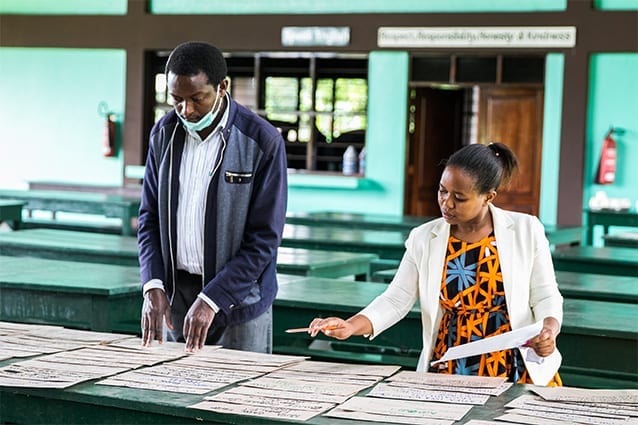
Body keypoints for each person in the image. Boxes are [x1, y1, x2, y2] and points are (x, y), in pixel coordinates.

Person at [308, 143, 563, 386]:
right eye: (442, 191)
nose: (446, 203)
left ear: (488, 197)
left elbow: (545, 295)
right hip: (448, 364)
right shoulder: (424, 237)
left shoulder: (526, 230)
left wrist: (548, 331)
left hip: (511, 364)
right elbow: (395, 300)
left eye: (459, 198)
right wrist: (351, 325)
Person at [138, 41, 288, 353]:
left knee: (240, 397)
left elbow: (263, 240)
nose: (187, 111)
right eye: (177, 100)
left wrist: (212, 299)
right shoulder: (163, 135)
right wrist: (152, 284)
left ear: (222, 87)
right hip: (180, 298)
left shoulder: (262, 141)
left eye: (197, 98)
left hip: (240, 302)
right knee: (177, 393)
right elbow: (149, 219)